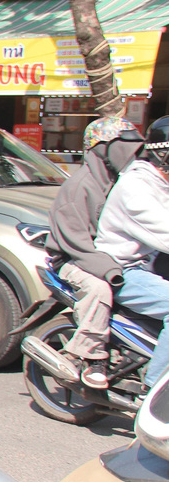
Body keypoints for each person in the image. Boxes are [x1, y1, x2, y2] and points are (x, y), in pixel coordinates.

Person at [45, 117, 144, 389]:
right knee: (99, 289)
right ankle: (92, 356)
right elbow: (75, 242)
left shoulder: (122, 182)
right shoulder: (80, 186)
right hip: (74, 260)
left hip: (109, 259)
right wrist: (108, 269)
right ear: (102, 148)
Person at [95, 119, 169, 389]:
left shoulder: (161, 184)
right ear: (164, 155)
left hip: (149, 268)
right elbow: (164, 232)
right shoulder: (136, 187)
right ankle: (157, 390)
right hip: (123, 271)